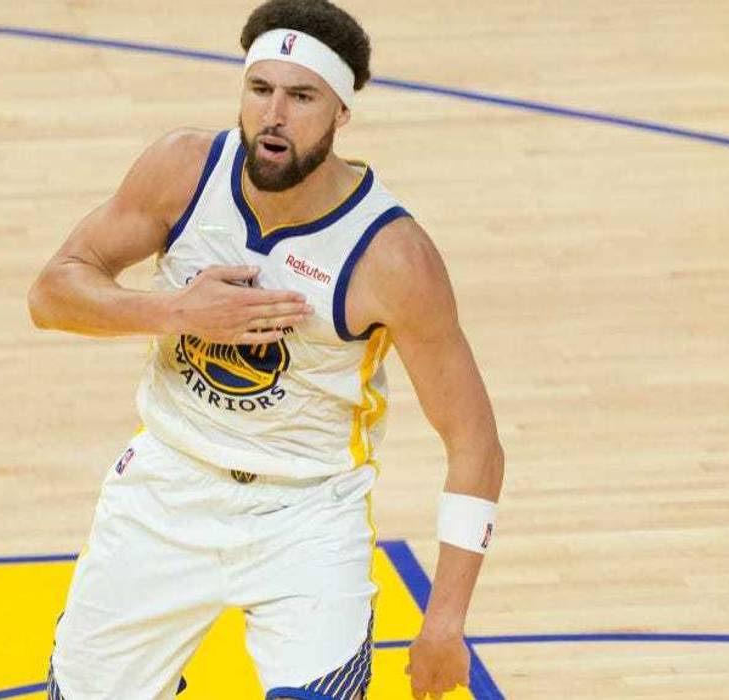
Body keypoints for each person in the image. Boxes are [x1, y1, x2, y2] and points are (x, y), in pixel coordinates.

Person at [27, 1, 504, 697]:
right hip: (166, 484)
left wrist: (444, 624)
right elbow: (50, 295)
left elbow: (474, 442)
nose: (274, 114)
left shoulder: (393, 256)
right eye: (260, 90)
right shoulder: (181, 171)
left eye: (301, 96)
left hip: (305, 510)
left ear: (340, 112)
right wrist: (176, 312)